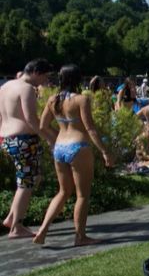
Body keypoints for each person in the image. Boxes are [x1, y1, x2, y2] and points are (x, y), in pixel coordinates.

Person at [34, 64, 114, 246]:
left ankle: (42, 231)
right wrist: (104, 151)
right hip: (78, 147)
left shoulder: (53, 99)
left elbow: (42, 126)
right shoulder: (81, 99)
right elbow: (90, 128)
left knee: (63, 192)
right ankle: (80, 237)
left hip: (60, 148)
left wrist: (56, 139)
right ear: (78, 79)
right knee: (82, 195)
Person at [0, 59, 55, 239]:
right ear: (36, 72)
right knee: (26, 183)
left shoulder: (6, 86)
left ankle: (11, 218)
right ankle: (16, 226)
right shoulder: (27, 89)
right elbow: (31, 119)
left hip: (7, 138)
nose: (44, 82)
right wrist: (49, 137)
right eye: (45, 76)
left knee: (28, 180)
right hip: (24, 140)